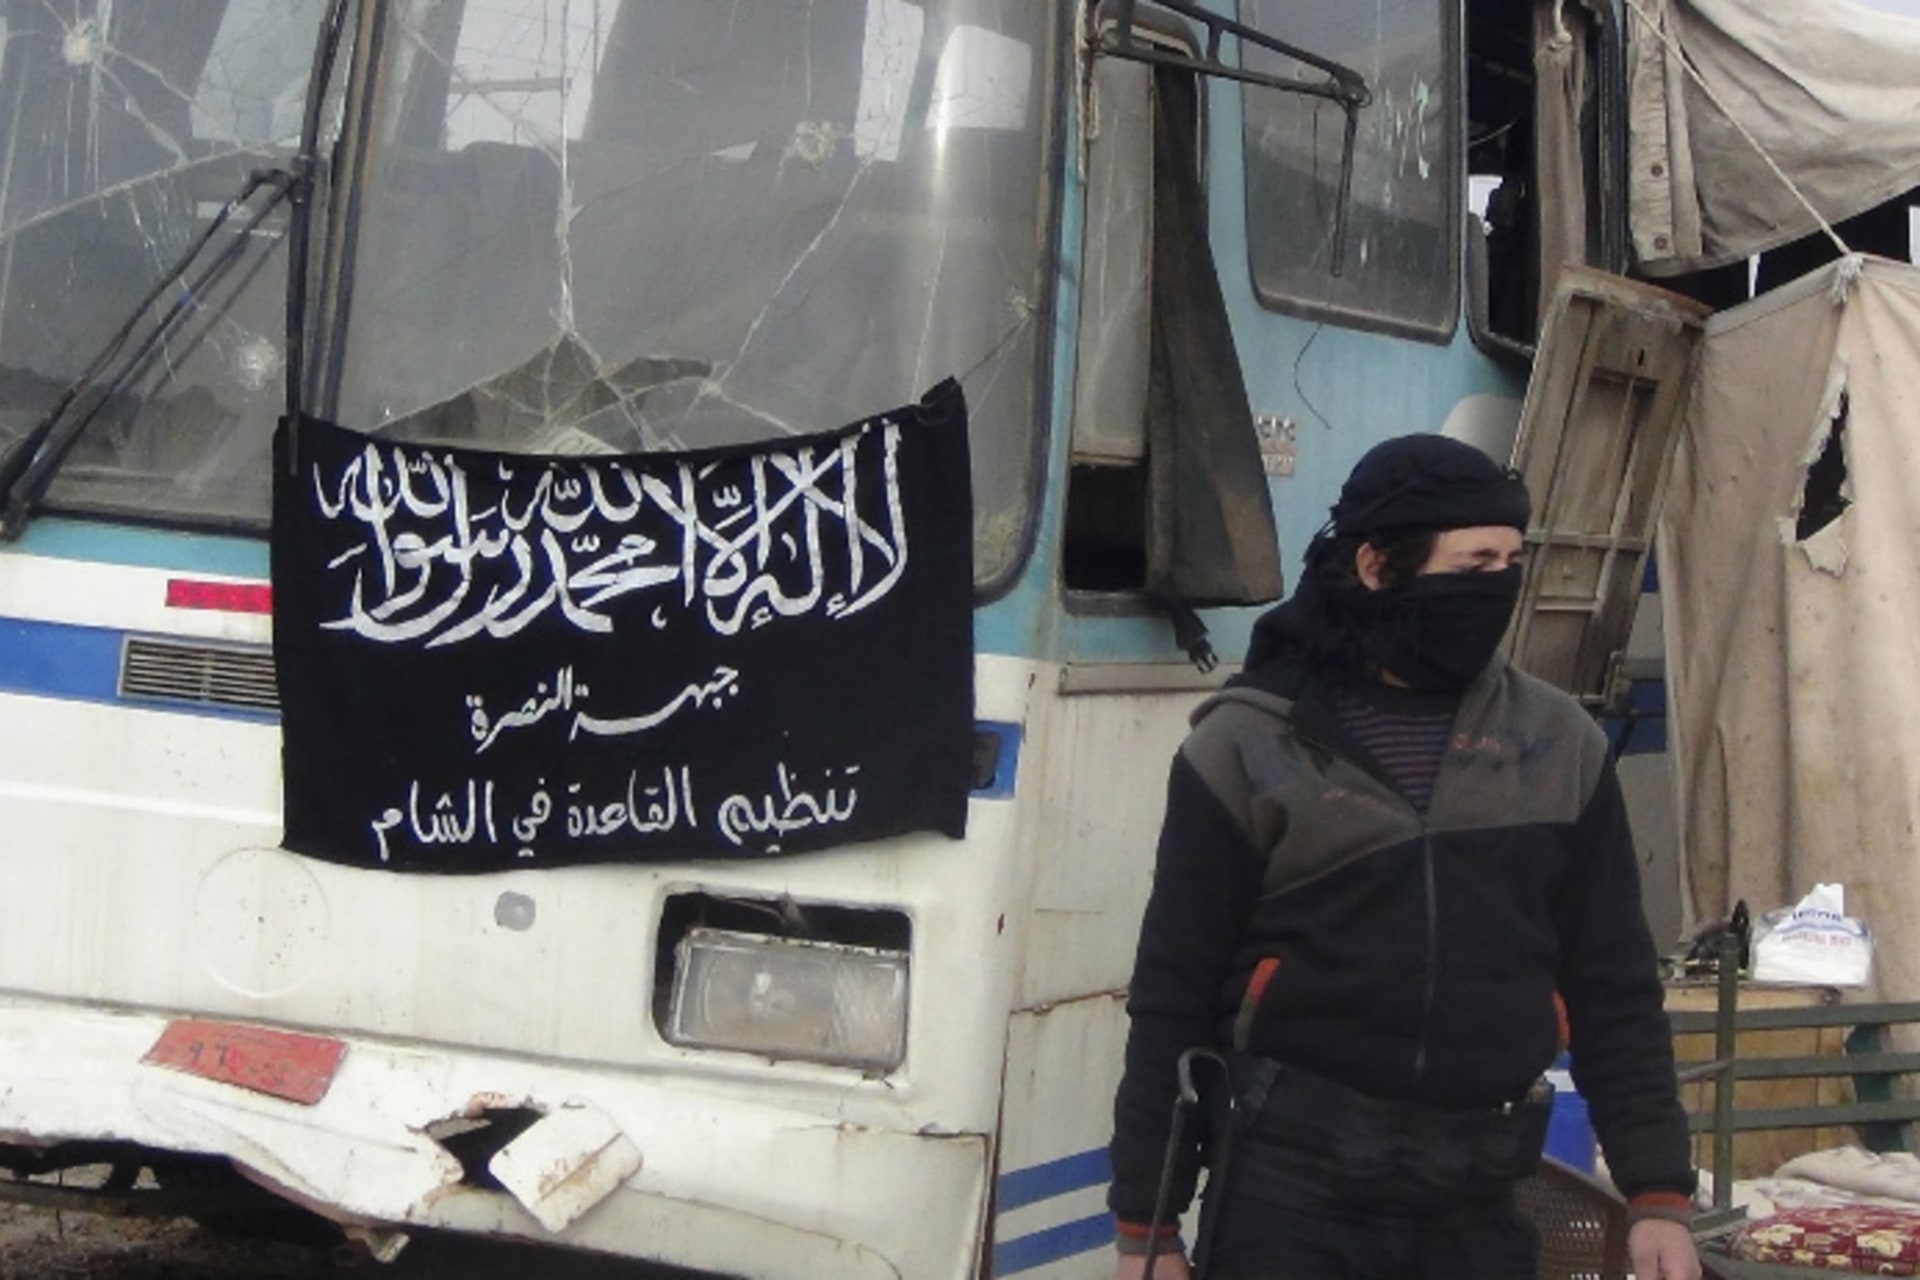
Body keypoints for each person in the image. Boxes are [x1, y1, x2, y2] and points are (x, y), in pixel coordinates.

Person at [1107, 435, 1699, 1280]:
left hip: (1479, 1199)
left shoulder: (1559, 743)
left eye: (1510, 561)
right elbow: (1173, 995)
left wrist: (1657, 1192)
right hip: (1288, 1195)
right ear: (1378, 567)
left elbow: (1615, 984)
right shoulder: (1245, 746)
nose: (1497, 584)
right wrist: (1149, 1226)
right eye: (1473, 563)